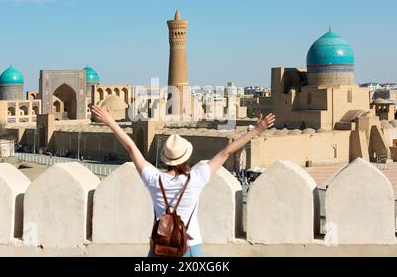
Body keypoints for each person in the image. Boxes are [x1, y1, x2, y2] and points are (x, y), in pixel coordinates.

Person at [91, 105, 276, 257]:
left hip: (159, 248)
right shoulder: (196, 178)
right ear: (185, 158)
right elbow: (226, 152)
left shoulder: (154, 180)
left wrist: (110, 121)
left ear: (165, 159)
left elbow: (132, 148)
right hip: (190, 247)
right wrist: (257, 130)